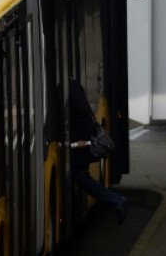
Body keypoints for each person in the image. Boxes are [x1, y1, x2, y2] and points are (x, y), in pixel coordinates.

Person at [68, 78, 129, 225]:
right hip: (81, 141)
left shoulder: (68, 90)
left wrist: (78, 141)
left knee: (81, 177)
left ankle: (117, 200)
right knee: (82, 177)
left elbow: (81, 117)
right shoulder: (74, 87)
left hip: (80, 143)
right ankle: (116, 201)